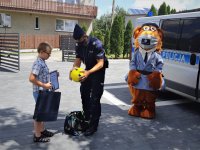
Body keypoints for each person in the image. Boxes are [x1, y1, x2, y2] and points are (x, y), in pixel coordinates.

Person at [70, 24, 108, 136]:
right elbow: (77, 61)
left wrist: (89, 72)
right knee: (84, 94)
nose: (79, 42)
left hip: (98, 71)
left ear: (85, 36)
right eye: (77, 41)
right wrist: (72, 71)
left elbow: (101, 63)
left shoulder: (96, 44)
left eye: (80, 40)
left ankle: (93, 126)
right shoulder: (79, 45)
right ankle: (87, 118)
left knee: (95, 99)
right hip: (87, 70)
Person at [29, 42, 54, 142]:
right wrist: (44, 85)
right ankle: (37, 135)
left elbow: (42, 75)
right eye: (49, 53)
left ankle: (42, 130)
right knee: (39, 114)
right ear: (42, 52)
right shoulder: (38, 63)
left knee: (43, 112)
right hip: (39, 92)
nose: (49, 55)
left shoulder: (42, 61)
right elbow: (31, 78)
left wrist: (54, 75)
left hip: (43, 92)